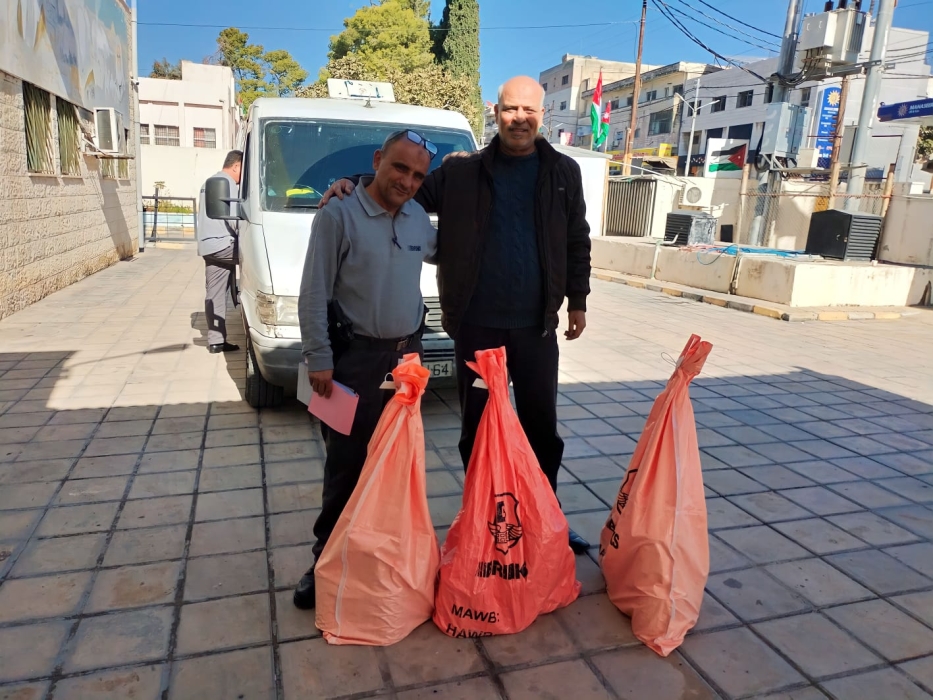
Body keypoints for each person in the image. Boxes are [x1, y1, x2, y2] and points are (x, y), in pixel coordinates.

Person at [321, 76, 593, 553]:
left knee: (540, 429)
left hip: (536, 327)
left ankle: (547, 516)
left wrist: (578, 299)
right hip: (477, 327)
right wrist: (354, 183)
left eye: (529, 111)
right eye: (510, 109)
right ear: (496, 113)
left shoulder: (563, 172)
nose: (520, 119)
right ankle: (482, 518)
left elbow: (577, 237)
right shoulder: (462, 173)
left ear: (542, 115)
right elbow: (401, 188)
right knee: (479, 430)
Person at [293, 130, 439, 609]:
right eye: (399, 167)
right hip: (352, 362)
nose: (408, 182)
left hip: (406, 362)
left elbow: (451, 248)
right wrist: (319, 357)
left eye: (418, 175)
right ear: (378, 160)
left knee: (395, 465)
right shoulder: (338, 213)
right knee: (346, 467)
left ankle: (382, 558)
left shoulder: (418, 218)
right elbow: (313, 290)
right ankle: (325, 562)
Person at [197, 150, 242, 354]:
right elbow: (234, 219)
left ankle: (216, 342)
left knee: (214, 292)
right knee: (262, 255)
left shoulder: (208, 183)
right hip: (224, 244)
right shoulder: (227, 183)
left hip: (208, 245)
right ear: (236, 166)